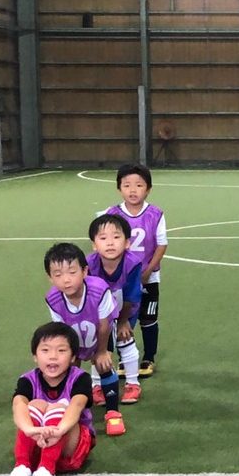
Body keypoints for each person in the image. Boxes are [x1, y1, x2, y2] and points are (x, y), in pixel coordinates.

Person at [4, 322, 96, 476]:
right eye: (45, 350)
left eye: (61, 351)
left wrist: (58, 431)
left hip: (70, 445)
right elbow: (18, 405)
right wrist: (30, 430)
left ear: (73, 357)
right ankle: (22, 466)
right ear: (35, 356)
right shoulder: (27, 379)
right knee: (35, 404)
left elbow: (77, 406)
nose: (53, 356)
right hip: (38, 442)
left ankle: (46, 471)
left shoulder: (80, 378)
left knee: (58, 407)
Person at [43, 243, 124, 436]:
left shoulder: (99, 290)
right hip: (73, 336)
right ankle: (73, 410)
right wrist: (67, 356)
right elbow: (61, 331)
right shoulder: (53, 299)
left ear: (84, 271)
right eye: (58, 274)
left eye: (72, 272)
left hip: (101, 334)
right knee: (69, 370)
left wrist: (102, 351)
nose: (66, 280)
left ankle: (113, 412)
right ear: (50, 277)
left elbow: (104, 324)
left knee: (104, 365)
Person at [106, 163, 167, 378]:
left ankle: (149, 357)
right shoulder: (112, 214)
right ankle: (125, 358)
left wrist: (148, 271)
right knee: (124, 318)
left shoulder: (155, 214)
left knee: (149, 318)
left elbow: (161, 245)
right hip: (122, 280)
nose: (133, 190)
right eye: (127, 185)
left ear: (148, 189)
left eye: (139, 185)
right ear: (119, 188)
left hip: (149, 277)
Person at [87, 214, 144, 404]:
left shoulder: (132, 263)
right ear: (94, 245)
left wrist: (123, 321)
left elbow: (131, 296)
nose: (110, 243)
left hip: (124, 310)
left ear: (127, 243)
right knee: (98, 346)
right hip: (99, 314)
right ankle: (97, 385)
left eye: (116, 237)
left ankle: (133, 383)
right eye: (103, 238)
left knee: (125, 340)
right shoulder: (88, 265)